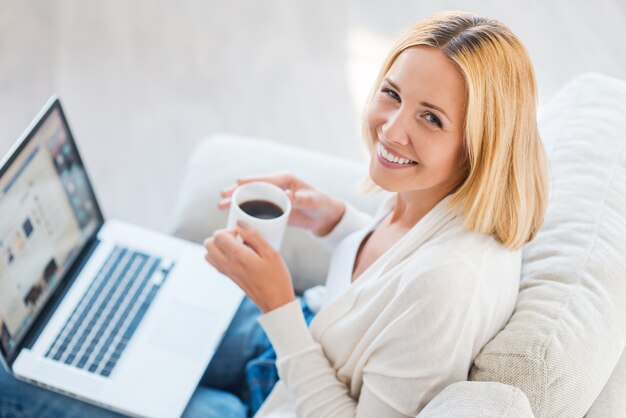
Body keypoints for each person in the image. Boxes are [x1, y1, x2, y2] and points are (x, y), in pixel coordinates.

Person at [0, 10, 547, 418]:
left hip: (294, 387)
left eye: (431, 118)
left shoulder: (445, 291)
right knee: (131, 302)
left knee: (14, 380)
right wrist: (334, 221)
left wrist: (277, 304)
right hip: (300, 343)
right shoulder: (436, 196)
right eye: (391, 93)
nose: (392, 129)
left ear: (481, 143)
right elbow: (386, 277)